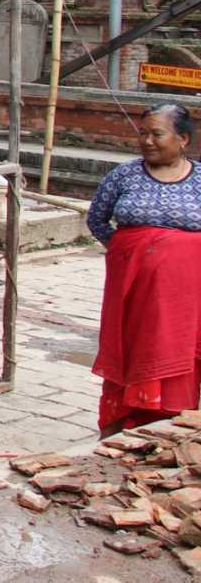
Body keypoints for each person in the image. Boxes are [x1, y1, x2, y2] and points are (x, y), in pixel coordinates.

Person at [87, 104, 201, 435]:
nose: (147, 141)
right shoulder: (124, 176)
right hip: (132, 289)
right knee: (132, 350)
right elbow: (97, 219)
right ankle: (125, 422)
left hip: (185, 297)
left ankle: (173, 421)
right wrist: (129, 253)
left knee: (176, 352)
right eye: (143, 133)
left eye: (157, 134)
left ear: (182, 139)